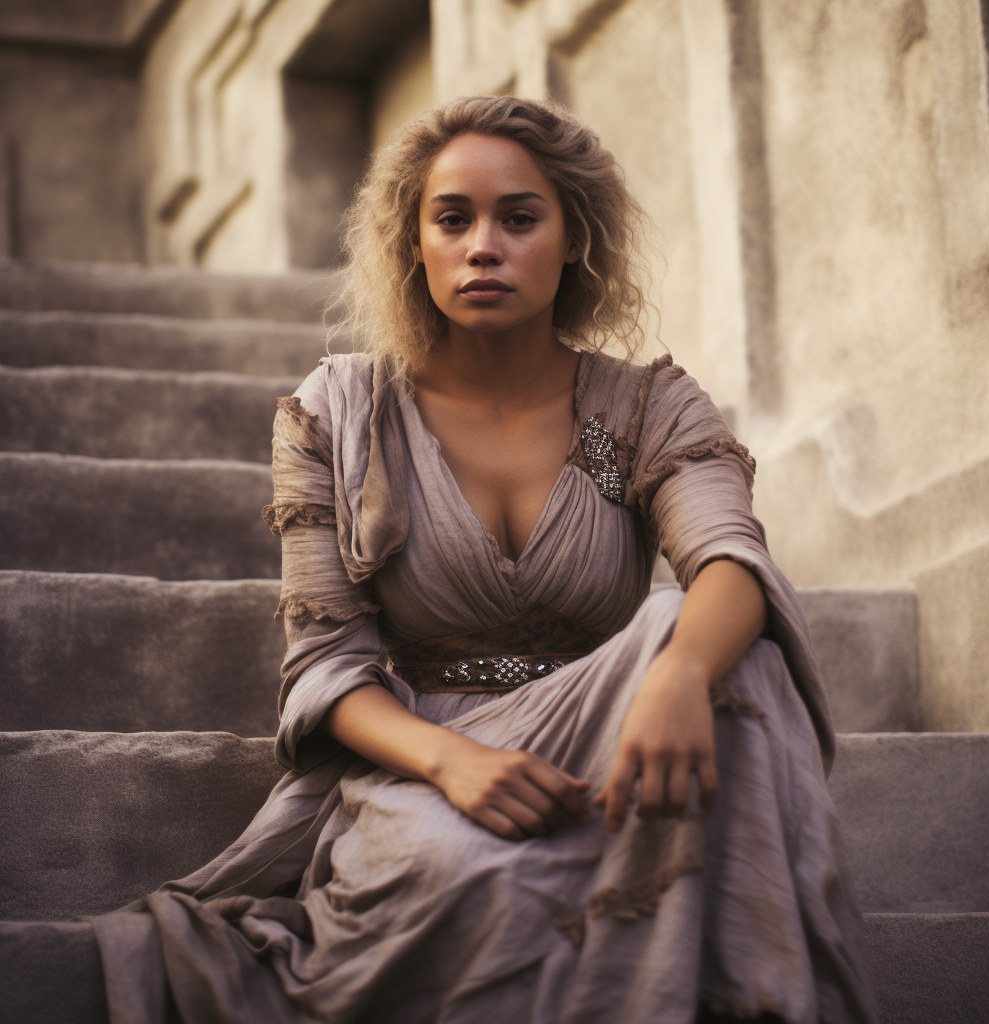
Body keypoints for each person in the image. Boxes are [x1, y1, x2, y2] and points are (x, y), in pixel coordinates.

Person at [91, 95, 877, 1024]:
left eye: (519, 217)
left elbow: (728, 560)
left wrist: (676, 680)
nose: (483, 246)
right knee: (478, 873)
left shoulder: (629, 418)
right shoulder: (343, 415)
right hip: (422, 756)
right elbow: (327, 669)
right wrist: (454, 763)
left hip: (611, 732)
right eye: (452, 219)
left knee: (698, 635)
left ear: (574, 237)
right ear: (413, 245)